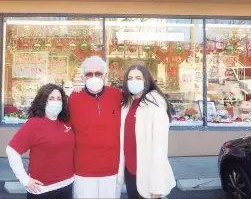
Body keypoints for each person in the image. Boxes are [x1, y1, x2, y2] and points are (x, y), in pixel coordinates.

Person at [6, 84, 74, 199]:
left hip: (67, 185)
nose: (56, 102)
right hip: (42, 189)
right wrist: (24, 179)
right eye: (51, 98)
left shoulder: (66, 122)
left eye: (59, 99)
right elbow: (12, 150)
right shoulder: (34, 124)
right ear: (43, 101)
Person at [118, 64, 176, 199]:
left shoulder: (155, 104)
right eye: (130, 78)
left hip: (147, 171)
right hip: (130, 169)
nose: (134, 81)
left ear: (147, 80)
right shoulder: (128, 103)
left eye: (138, 78)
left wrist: (157, 184)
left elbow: (160, 147)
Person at [68, 56, 122, 199]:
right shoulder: (73, 98)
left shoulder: (117, 96)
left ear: (105, 75)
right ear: (82, 77)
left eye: (98, 73)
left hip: (112, 170)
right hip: (82, 170)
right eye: (89, 74)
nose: (93, 77)